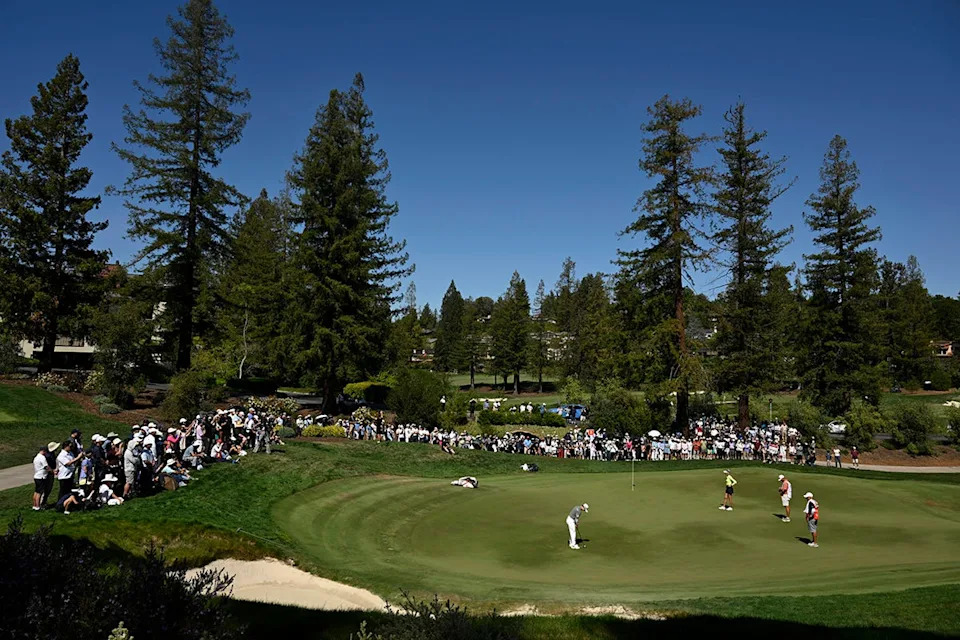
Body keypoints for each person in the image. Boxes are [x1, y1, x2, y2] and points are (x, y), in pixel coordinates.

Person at [32, 444, 57, 510]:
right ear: (44, 451)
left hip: (37, 476)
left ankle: (34, 505)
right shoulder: (42, 458)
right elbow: (46, 467)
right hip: (41, 477)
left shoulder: (36, 457)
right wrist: (53, 471)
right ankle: (38, 506)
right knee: (39, 492)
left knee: (36, 492)